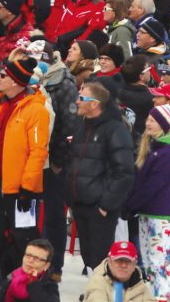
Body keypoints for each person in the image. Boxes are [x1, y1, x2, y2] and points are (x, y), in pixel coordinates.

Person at [0, 57, 48, 269]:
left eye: (3, 75)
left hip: (19, 187)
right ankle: (1, 279)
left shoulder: (36, 110)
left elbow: (38, 151)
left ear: (15, 81)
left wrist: (28, 187)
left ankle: (31, 278)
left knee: (24, 237)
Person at [68, 80, 136, 272]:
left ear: (94, 104)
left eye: (82, 98)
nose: (77, 101)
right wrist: (70, 196)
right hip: (80, 204)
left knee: (101, 259)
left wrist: (106, 204)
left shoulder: (115, 129)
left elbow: (125, 171)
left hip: (100, 208)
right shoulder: (83, 126)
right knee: (89, 258)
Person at [82, 241, 151, 302]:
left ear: (134, 265)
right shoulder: (97, 282)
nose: (123, 265)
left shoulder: (139, 285)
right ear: (109, 262)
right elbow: (96, 299)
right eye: (118, 260)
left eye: (128, 261)